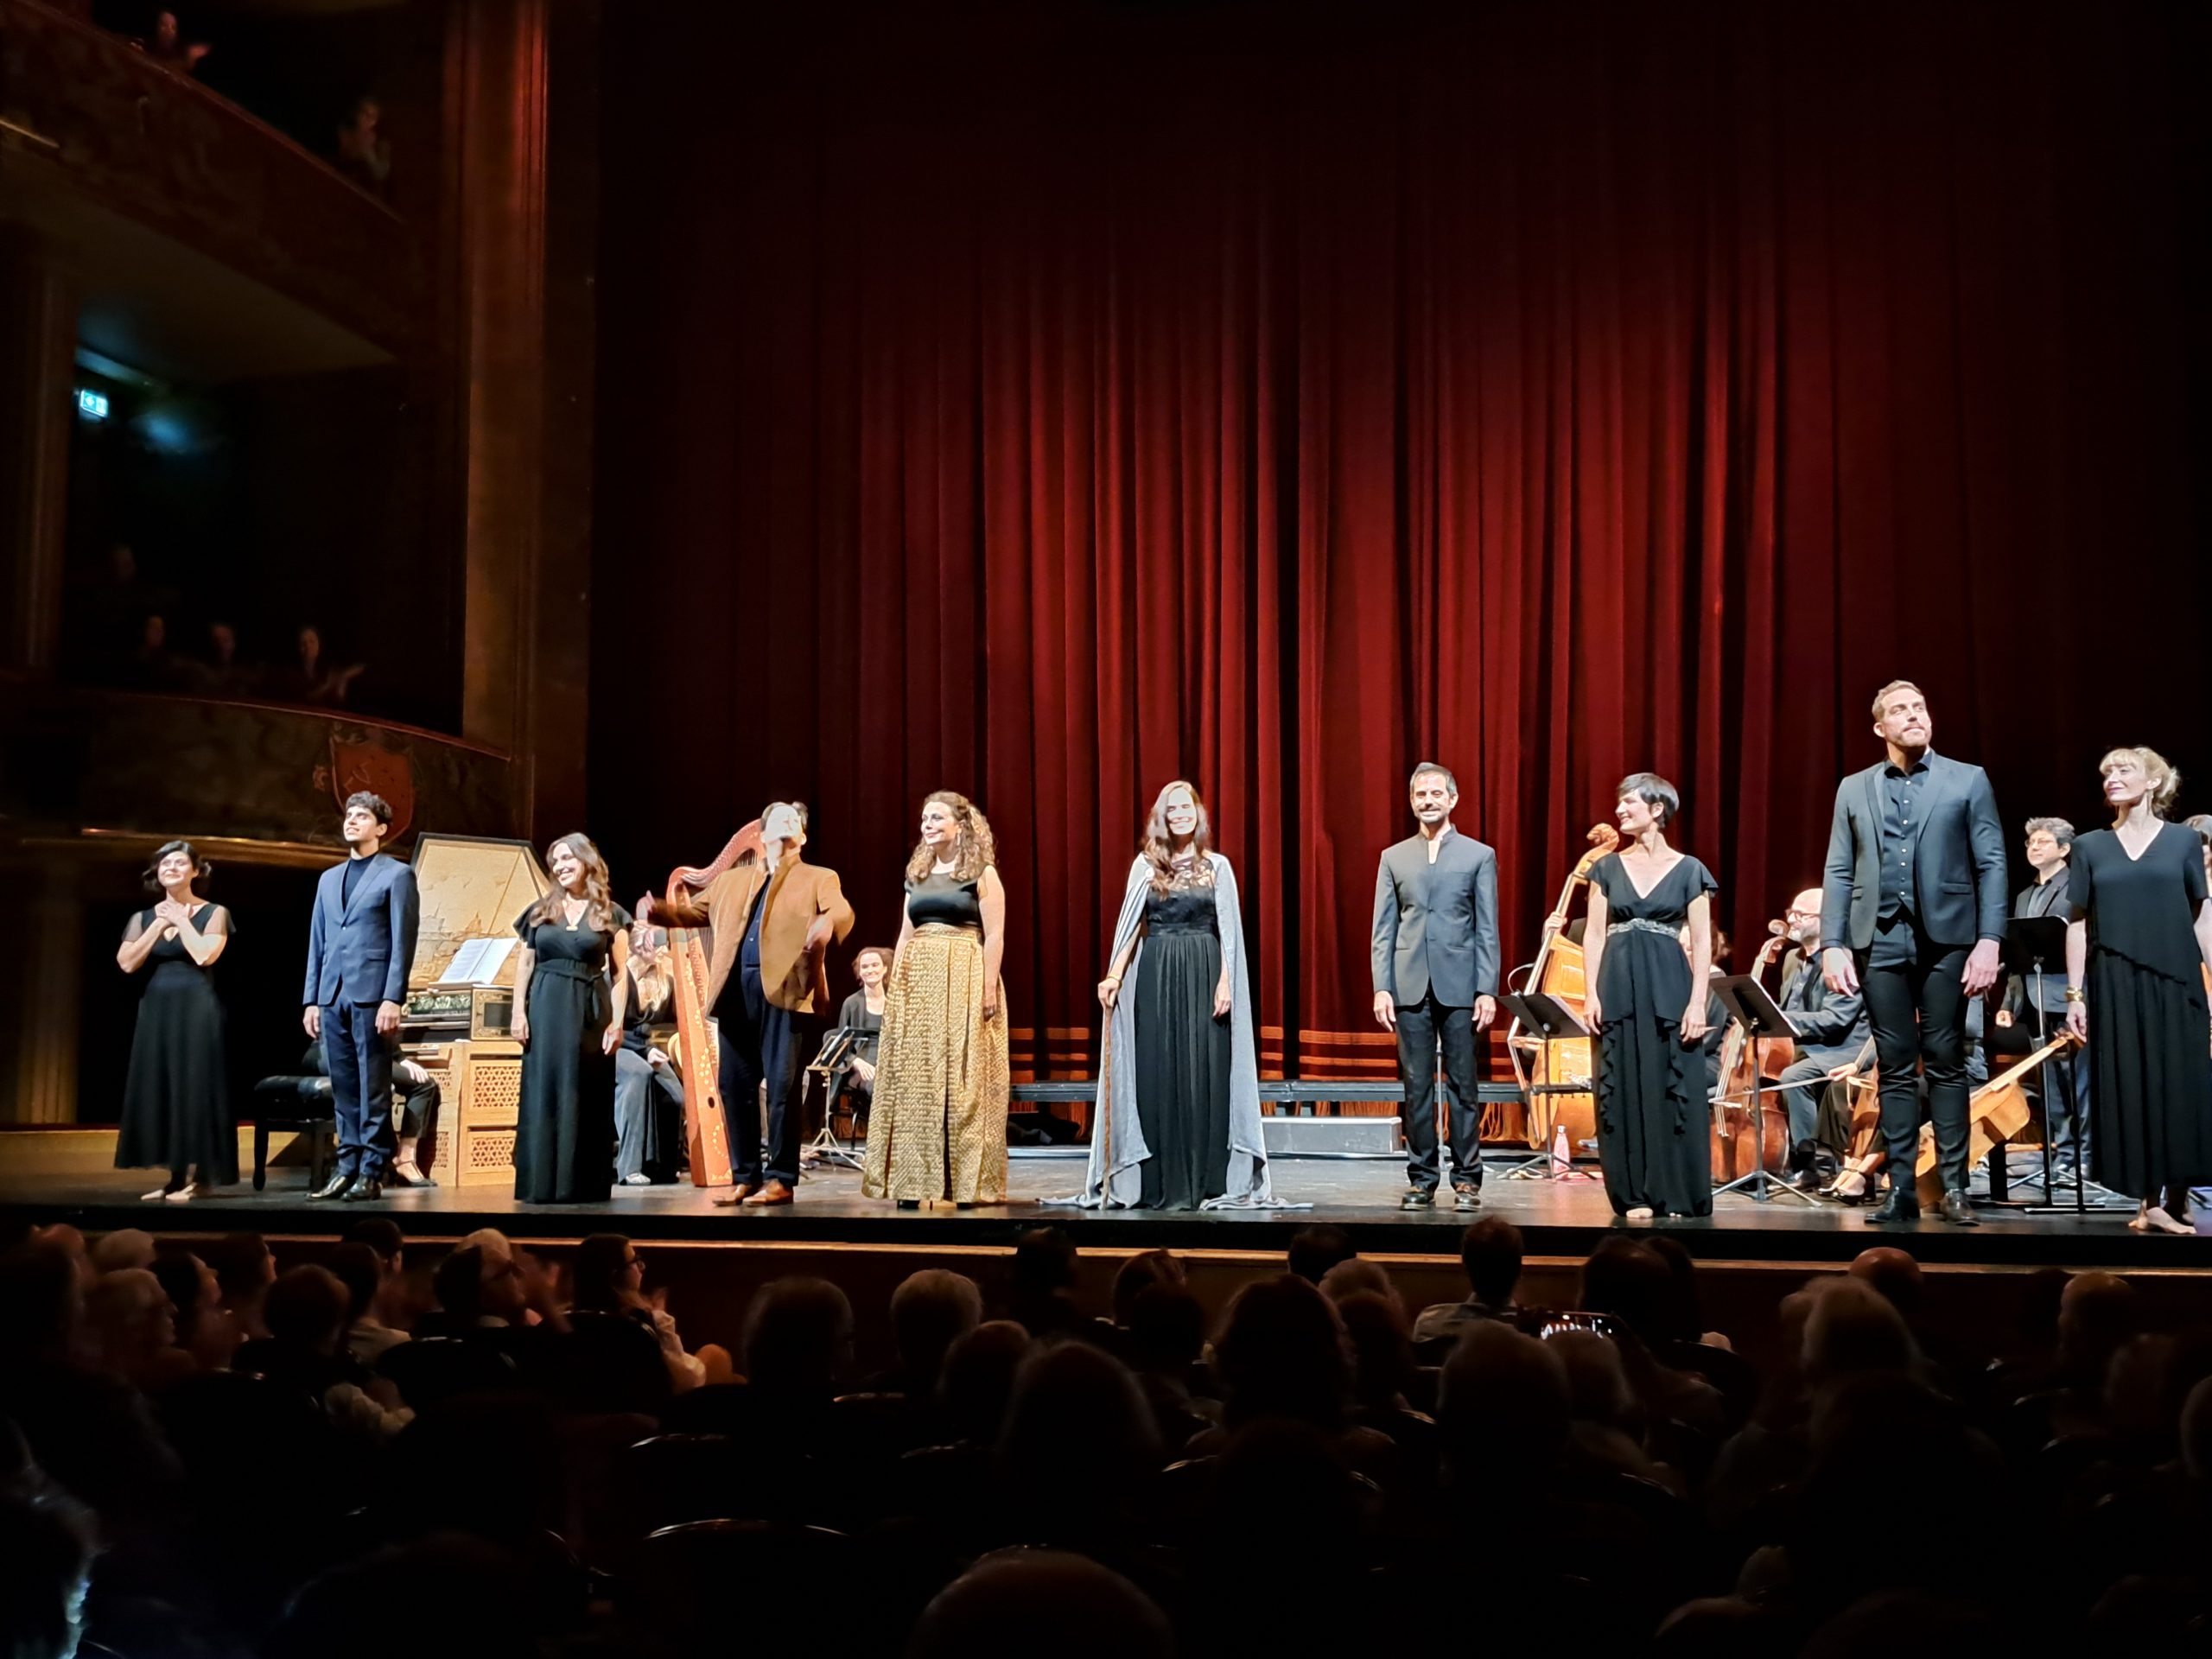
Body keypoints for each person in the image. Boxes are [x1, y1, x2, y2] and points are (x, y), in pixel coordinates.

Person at [1821, 681, 2006, 1226]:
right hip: (1878, 939)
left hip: (1948, 938)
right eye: (1900, 711)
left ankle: (1953, 1186)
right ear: (1880, 728)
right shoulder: (1855, 788)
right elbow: (1838, 868)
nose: (1913, 716)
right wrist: (1833, 944)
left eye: (1920, 707)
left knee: (1946, 1059)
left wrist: (1990, 940)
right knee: (1895, 1066)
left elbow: (1992, 863)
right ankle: (1901, 1188)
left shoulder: (1967, 779)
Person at [649, 801, 854, 1206]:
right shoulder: (732, 881)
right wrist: (658, 912)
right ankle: (745, 1176)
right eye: (777, 818)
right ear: (760, 836)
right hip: (735, 992)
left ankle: (780, 1179)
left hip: (783, 991)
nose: (786, 823)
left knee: (781, 1087)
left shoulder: (818, 877)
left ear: (803, 837)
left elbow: (841, 910)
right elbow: (692, 914)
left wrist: (827, 925)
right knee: (734, 1086)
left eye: (793, 821)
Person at [1085, 780, 1274, 1209]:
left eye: (1187, 807)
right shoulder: (1146, 866)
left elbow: (1228, 931)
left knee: (1204, 1070)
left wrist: (1227, 981)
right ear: (1163, 818)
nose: (1181, 815)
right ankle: (1156, 1183)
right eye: (1172, 810)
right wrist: (1114, 974)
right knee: (1159, 1069)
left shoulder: (1217, 867)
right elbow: (1133, 925)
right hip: (1157, 971)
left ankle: (1208, 1180)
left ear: (1198, 814)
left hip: (1206, 969)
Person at [2063, 747, 2212, 1236]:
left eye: (2124, 770)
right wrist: (2075, 996)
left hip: (2175, 977)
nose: (2112, 778)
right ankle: (2151, 1201)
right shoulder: (2089, 847)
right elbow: (2078, 924)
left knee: (2181, 1081)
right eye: (2106, 771)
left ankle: (2177, 1194)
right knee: (2135, 1081)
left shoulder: (2183, 842)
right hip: (2115, 979)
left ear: (2153, 782)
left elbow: (2201, 915)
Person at [862, 791, 1010, 1207]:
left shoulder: (981, 872)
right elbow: (906, 933)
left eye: (937, 818)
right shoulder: (917, 873)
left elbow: (994, 934)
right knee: (916, 1082)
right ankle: (911, 1183)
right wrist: (894, 988)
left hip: (964, 971)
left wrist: (986, 987)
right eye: (924, 818)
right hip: (919, 979)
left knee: (964, 1083)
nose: (927, 825)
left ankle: (967, 1185)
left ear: (960, 826)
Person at [1580, 773, 1718, 1220]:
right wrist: (1590, 994)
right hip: (1617, 985)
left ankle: (1676, 1191)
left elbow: (1702, 942)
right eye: (1619, 803)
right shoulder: (1605, 869)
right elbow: (1594, 935)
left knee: (1670, 1085)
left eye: (1630, 804)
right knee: (1620, 1087)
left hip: (1669, 987)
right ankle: (1633, 1194)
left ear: (1657, 810)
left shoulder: (1690, 869)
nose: (1620, 811)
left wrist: (1698, 1003)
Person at [1371, 761, 1502, 1211]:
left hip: (1461, 985)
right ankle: (1422, 1177)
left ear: (1452, 799)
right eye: (1419, 795)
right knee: (1416, 1086)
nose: (1427, 801)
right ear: (1412, 802)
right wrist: (1382, 987)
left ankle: (1467, 1178)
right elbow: (1383, 930)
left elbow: (1487, 927)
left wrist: (1486, 988)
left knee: (1464, 1084)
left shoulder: (1478, 855)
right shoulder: (1394, 857)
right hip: (1409, 985)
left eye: (1435, 794)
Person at [302, 791, 420, 1203]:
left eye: (362, 816)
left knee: (373, 1086)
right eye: (349, 815)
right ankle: (346, 1165)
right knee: (344, 1085)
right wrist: (312, 1000)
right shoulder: (328, 879)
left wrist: (393, 998)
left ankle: (372, 1169)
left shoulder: (396, 875)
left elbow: (403, 942)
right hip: (332, 993)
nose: (351, 821)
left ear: (381, 829)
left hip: (372, 995)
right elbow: (318, 941)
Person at [512, 834, 630, 1205]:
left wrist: (618, 1023)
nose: (561, 866)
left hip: (589, 1012)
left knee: (585, 1093)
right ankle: (542, 1183)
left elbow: (620, 974)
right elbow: (525, 962)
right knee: (545, 1091)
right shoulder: (540, 911)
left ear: (586, 862)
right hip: (546, 1007)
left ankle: (583, 1184)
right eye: (556, 861)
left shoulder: (610, 914)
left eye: (568, 859)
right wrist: (518, 1011)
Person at [115, 841, 235, 1200]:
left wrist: (182, 920)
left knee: (195, 1085)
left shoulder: (214, 912)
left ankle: (203, 1178)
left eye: (180, 863)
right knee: (164, 1085)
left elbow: (204, 955)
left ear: (196, 871)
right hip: (157, 1007)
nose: (171, 868)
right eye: (165, 863)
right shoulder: (142, 918)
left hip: (197, 1007)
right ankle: (175, 1176)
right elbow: (126, 963)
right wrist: (159, 924)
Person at [1994, 817, 2091, 1177]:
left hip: (2068, 998)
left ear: (2064, 850)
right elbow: (2020, 955)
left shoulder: (2076, 887)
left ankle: (2085, 1157)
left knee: (2077, 1083)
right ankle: (2062, 1154)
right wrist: (2007, 1004)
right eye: (2030, 842)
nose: (2034, 848)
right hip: (2033, 1001)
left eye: (2043, 842)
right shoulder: (2025, 895)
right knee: (2051, 1084)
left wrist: (2075, 998)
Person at [1768, 888, 1870, 1181]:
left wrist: (1780, 1018)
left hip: (1844, 1046)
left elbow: (1834, 1019)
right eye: (1792, 913)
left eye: (1803, 915)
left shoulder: (1843, 959)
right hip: (1804, 1044)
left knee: (1792, 1076)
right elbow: (1788, 1006)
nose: (1793, 920)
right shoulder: (1791, 958)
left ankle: (1807, 1162)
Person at [613, 924, 683, 1185]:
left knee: (675, 1095)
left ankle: (664, 1167)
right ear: (638, 945)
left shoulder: (661, 980)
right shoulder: (619, 976)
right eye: (657, 942)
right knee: (638, 1073)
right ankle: (628, 1168)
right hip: (618, 1047)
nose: (664, 949)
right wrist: (646, 1051)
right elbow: (611, 1027)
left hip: (644, 1049)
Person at [829, 944, 892, 1136]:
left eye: (875, 965)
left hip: (888, 1063)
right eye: (865, 967)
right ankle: (878, 1143)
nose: (870, 970)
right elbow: (841, 1043)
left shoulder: (895, 1001)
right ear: (859, 971)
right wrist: (857, 1062)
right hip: (861, 1066)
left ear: (885, 969)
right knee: (877, 1085)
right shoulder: (852, 1003)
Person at [334, 96, 392, 198]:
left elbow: (380, 174)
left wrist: (367, 153)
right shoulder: (345, 132)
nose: (366, 119)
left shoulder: (380, 145)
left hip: (361, 195)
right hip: (338, 184)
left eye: (372, 116)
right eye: (364, 113)